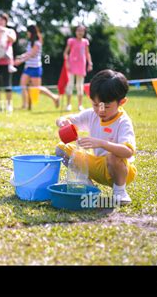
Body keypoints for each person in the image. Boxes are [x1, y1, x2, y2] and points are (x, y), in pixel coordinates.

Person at [55, 69, 137, 205]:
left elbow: (128, 151)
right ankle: (87, 185)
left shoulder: (123, 122)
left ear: (122, 102)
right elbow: (66, 119)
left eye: (107, 106)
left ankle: (120, 191)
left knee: (113, 156)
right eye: (96, 105)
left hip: (121, 170)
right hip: (97, 166)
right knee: (61, 149)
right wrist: (62, 121)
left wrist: (101, 143)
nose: (101, 110)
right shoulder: (92, 115)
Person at [14, 24, 59, 109]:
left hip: (36, 68)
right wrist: (20, 56)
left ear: (31, 32)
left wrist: (20, 61)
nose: (27, 33)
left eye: (28, 32)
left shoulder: (37, 43)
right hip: (28, 68)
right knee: (23, 85)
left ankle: (54, 97)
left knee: (37, 89)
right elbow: (28, 53)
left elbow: (32, 54)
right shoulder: (30, 42)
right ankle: (24, 105)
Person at [63, 25, 93, 112]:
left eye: (82, 31)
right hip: (71, 65)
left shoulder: (85, 42)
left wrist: (90, 63)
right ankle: (68, 105)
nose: (80, 32)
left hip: (81, 65)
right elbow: (65, 53)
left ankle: (80, 105)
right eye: (78, 30)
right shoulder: (71, 41)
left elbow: (87, 53)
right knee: (70, 85)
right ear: (75, 32)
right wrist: (67, 63)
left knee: (80, 86)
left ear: (84, 32)